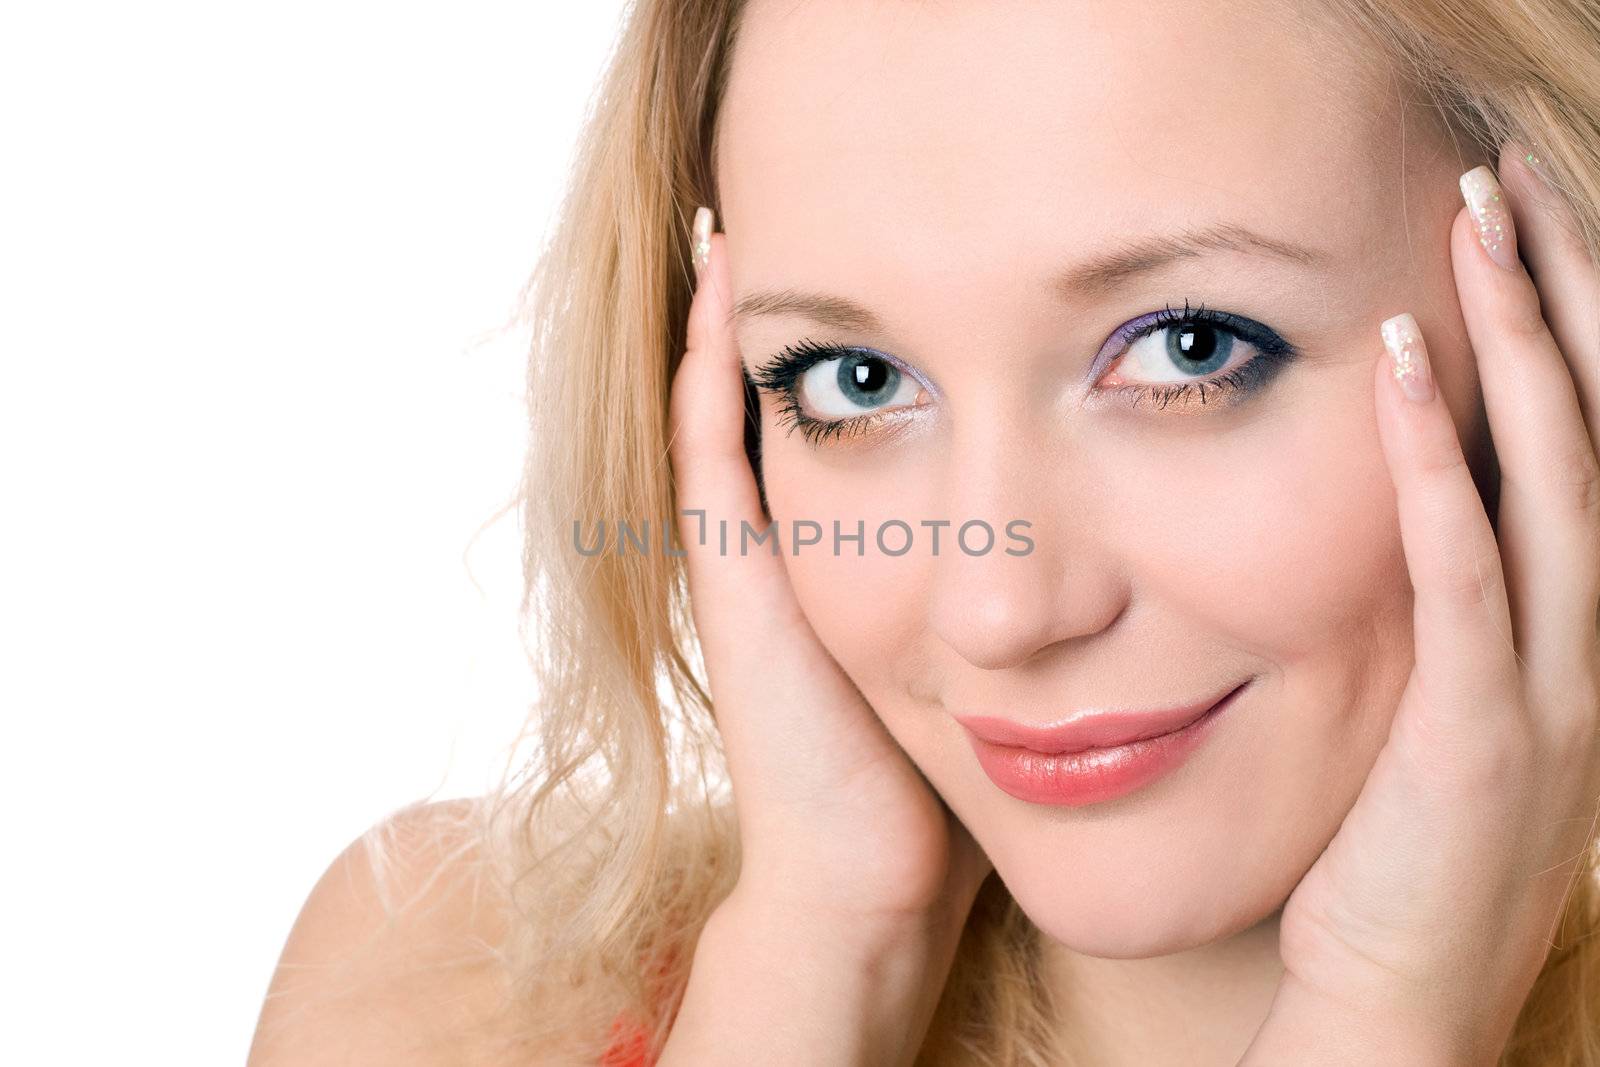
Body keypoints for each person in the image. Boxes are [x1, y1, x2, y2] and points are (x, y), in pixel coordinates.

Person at [247, 0, 1600, 1063]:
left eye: (1190, 348)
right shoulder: (452, 990)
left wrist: (1389, 1005)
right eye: (854, 380)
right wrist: (824, 959)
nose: (996, 608)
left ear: (1558, 315)